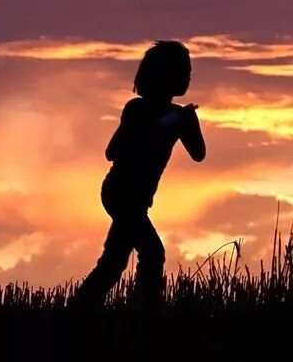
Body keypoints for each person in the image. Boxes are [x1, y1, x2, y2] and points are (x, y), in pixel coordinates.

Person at [73, 40, 206, 306]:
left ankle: (79, 309)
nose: (188, 77)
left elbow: (198, 154)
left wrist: (188, 124)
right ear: (164, 75)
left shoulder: (178, 116)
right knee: (153, 252)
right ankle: (145, 309)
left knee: (113, 261)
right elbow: (113, 152)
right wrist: (162, 126)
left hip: (138, 199)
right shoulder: (137, 109)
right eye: (183, 72)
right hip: (120, 193)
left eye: (189, 72)